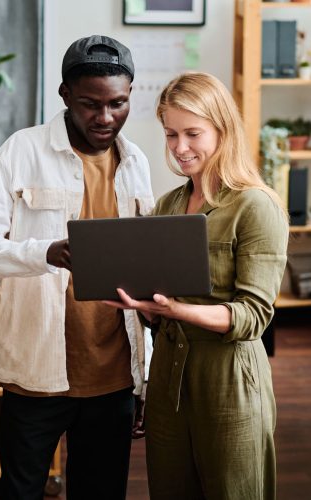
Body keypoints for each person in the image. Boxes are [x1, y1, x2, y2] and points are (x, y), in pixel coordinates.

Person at [0, 35, 154, 500]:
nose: (105, 118)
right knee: (21, 491)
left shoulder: (137, 163)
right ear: (65, 94)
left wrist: (147, 378)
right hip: (36, 372)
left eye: (118, 103)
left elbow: (145, 271)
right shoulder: (20, 151)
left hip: (114, 376)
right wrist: (43, 253)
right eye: (90, 104)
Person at [104, 72, 289, 500]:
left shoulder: (255, 206)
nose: (179, 147)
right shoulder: (168, 205)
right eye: (171, 134)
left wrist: (176, 310)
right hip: (168, 377)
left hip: (228, 379)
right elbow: (159, 297)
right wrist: (142, 305)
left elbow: (254, 316)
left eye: (192, 133)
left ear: (222, 130)